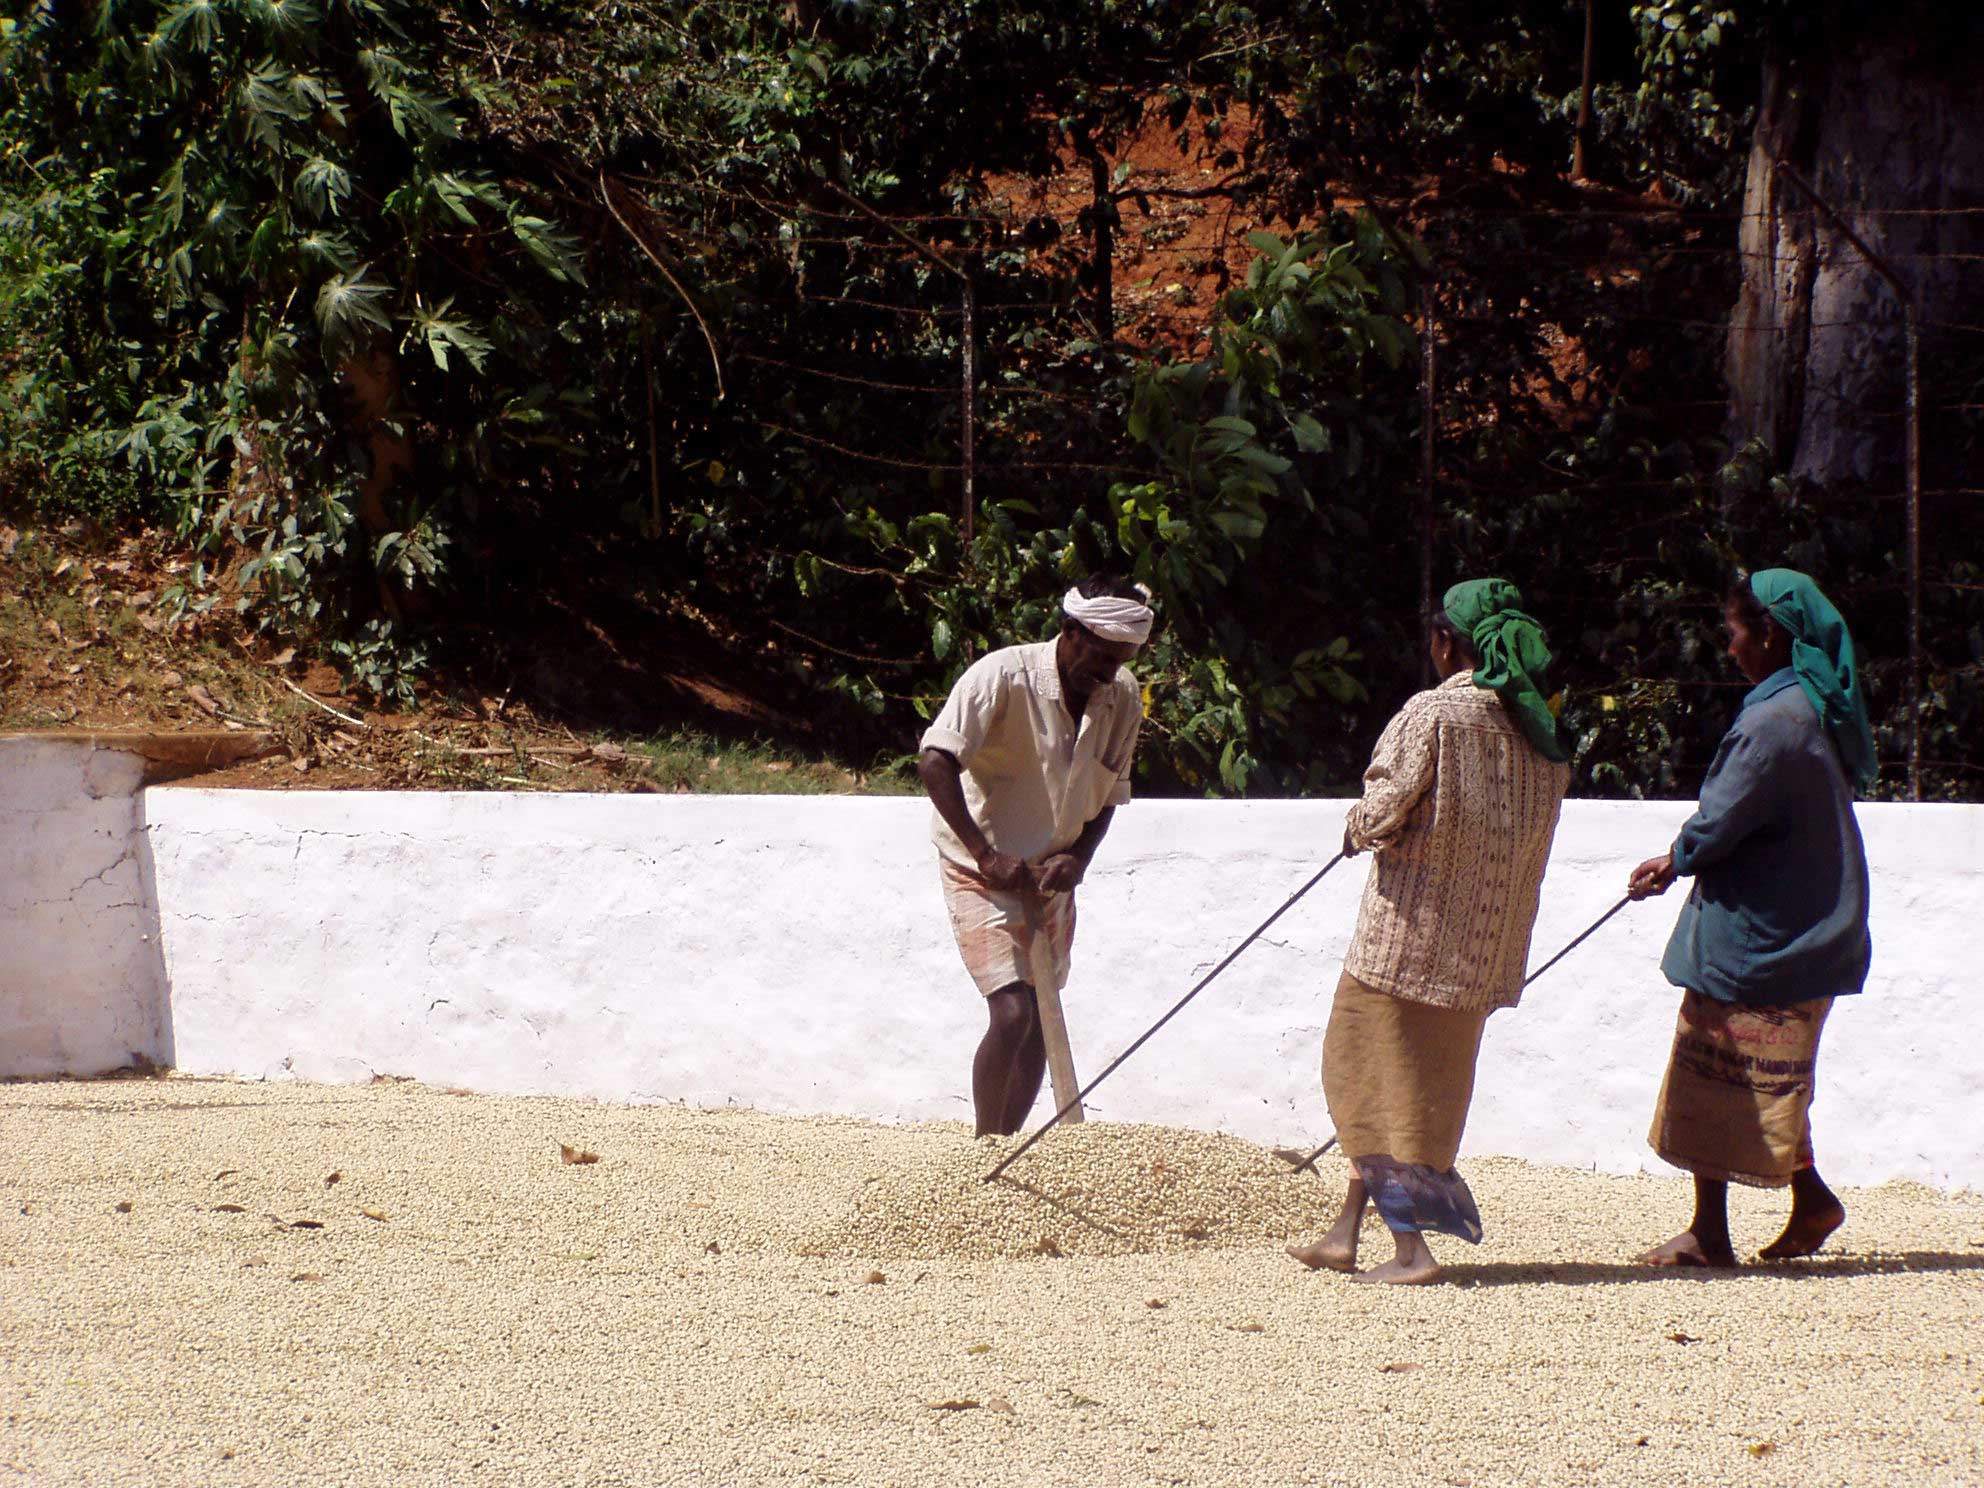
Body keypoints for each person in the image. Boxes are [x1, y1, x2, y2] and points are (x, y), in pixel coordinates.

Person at [1287, 579, 1571, 1285]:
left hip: (1404, 946)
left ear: (1447, 643)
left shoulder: (1435, 714)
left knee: (1369, 1085)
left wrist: (1353, 831)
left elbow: (1383, 811)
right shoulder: (1541, 733)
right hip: (1479, 956)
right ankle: (1344, 1233)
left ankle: (1412, 1250)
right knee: (1423, 1091)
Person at [1626, 569, 1875, 1268]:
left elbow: (1723, 817)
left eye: (1734, 632)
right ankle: (1808, 1201)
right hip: (1807, 921)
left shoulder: (1771, 723)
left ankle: (1710, 1233)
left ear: (1769, 633)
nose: (1729, 648)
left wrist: (1673, 860)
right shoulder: (1813, 706)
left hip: (1760, 937)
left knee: (1716, 1070)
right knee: (1768, 1081)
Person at [917, 575, 1152, 1137]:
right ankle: (983, 1147)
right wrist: (985, 852)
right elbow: (934, 760)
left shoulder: (1121, 697)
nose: (1109, 674)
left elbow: (1109, 793)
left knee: (1044, 1017)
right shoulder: (1001, 675)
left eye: (1121, 662)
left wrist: (1080, 859)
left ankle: (1007, 1146)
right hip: (982, 869)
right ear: (1070, 632)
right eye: (1101, 659)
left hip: (1049, 875)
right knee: (1015, 1012)